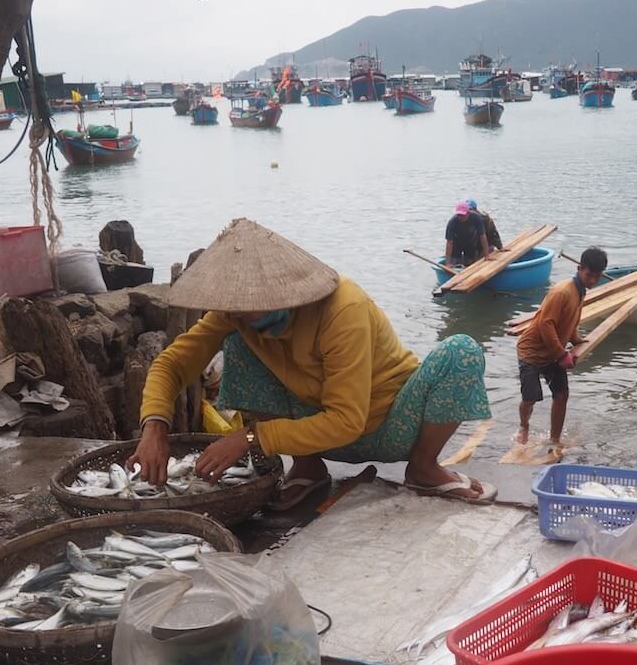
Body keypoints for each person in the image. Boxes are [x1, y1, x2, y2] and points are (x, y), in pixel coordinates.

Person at [130, 218, 497, 509]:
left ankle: (424, 467)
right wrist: (155, 426)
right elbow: (172, 364)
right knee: (237, 345)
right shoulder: (236, 316)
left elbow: (348, 420)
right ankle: (307, 467)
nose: (235, 315)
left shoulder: (344, 309)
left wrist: (251, 437)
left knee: (462, 350)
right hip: (317, 434)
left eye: (245, 306)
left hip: (389, 427)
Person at [515, 246, 608, 447]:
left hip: (553, 350)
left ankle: (554, 439)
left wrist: (575, 339)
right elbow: (545, 324)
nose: (593, 280)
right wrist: (561, 354)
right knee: (530, 398)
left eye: (597, 276)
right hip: (532, 352)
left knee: (561, 395)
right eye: (589, 275)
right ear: (579, 268)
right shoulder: (562, 292)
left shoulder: (580, 292)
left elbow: (569, 320)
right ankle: (524, 425)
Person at [444, 200, 490, 266]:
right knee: (455, 261)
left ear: (468, 213)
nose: (460, 217)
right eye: (458, 215)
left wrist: (487, 255)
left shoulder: (476, 218)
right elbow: (449, 242)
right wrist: (447, 262)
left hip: (470, 241)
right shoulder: (452, 222)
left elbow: (482, 236)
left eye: (463, 215)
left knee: (470, 262)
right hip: (456, 243)